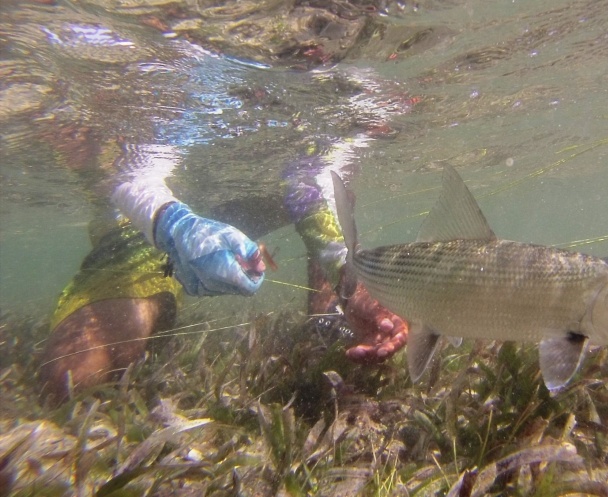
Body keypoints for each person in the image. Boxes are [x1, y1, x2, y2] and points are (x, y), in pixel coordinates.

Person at [25, 15, 412, 404]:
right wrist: (176, 227)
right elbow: (114, 167)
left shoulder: (323, 94)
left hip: (233, 213)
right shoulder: (154, 64)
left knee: (336, 189)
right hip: (141, 228)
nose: (309, 57)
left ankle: (326, 309)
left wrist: (353, 285)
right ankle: (157, 298)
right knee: (69, 376)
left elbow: (307, 189)